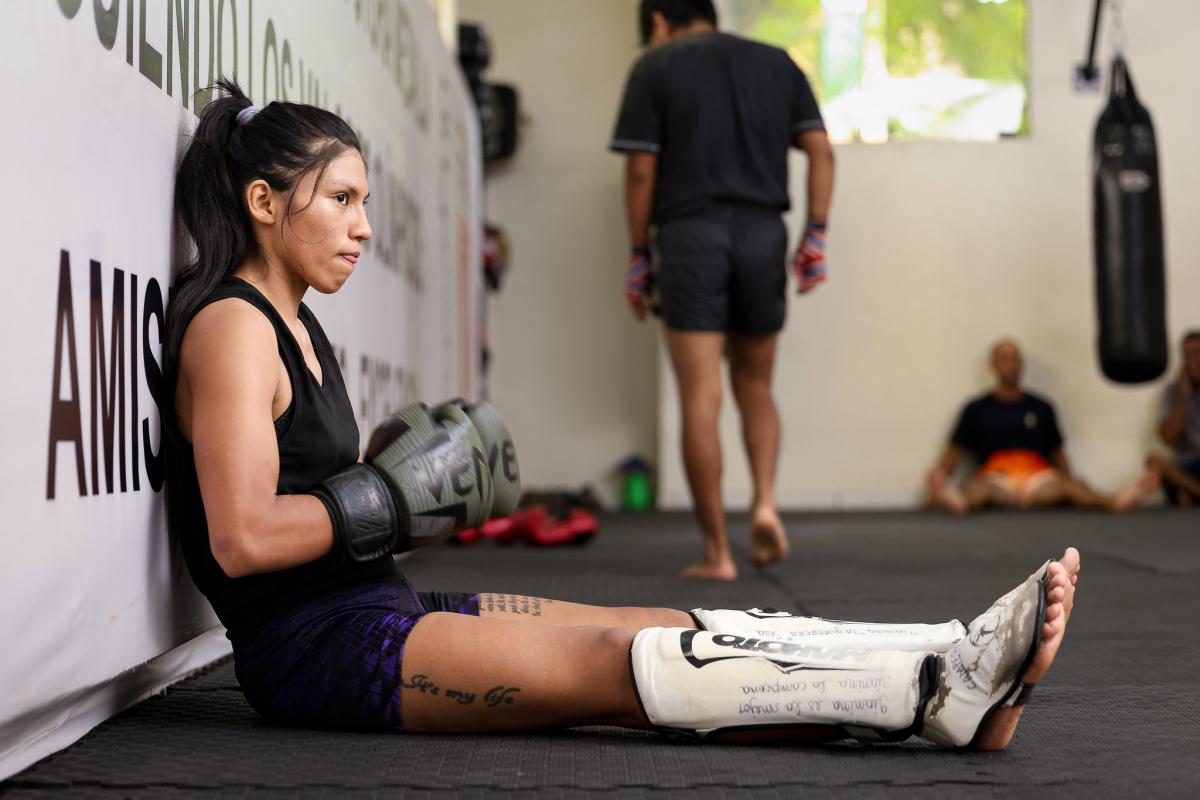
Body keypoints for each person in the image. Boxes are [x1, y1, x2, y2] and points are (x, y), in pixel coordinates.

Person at [167, 80, 1076, 751]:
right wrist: (388, 498)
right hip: (317, 652)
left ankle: (955, 653)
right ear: (262, 203)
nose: (363, 226)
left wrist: (386, 497)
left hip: (375, 607)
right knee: (622, 661)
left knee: (668, 622)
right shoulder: (230, 328)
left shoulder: (299, 323)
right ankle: (929, 696)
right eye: (341, 200)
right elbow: (242, 538)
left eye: (364, 201)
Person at [609, 0, 835, 580]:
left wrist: (638, 255)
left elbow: (640, 171)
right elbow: (821, 151)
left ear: (658, 21)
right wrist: (815, 234)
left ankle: (718, 553)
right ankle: (764, 501)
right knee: (756, 385)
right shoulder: (778, 63)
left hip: (691, 237)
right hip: (763, 233)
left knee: (699, 397)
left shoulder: (655, 67)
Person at [926, 339, 1158, 515]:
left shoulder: (1041, 407)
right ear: (993, 365)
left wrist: (1072, 481)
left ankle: (1115, 501)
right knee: (976, 488)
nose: (1012, 364)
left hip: (1037, 478)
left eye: (1016, 358)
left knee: (1071, 488)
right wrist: (938, 480)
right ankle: (958, 501)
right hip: (995, 477)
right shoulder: (975, 409)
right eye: (1005, 358)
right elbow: (954, 452)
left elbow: (1058, 452)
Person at [1146, 331, 1200, 505]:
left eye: (1197, 353)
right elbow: (1168, 438)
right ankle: (1193, 492)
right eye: (1187, 355)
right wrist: (1183, 395)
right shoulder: (1173, 391)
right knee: (1154, 461)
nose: (1192, 361)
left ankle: (1189, 494)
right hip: (1187, 466)